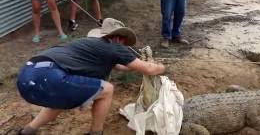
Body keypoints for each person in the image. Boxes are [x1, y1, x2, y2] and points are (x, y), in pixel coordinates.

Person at [17, 18, 165, 135]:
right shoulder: (115, 46)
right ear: (119, 38)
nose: (125, 45)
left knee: (60, 99)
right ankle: (96, 132)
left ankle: (28, 130)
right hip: (51, 77)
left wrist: (137, 66)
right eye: (125, 42)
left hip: (27, 77)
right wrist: (162, 66)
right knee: (107, 90)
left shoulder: (87, 45)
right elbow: (149, 70)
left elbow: (122, 67)